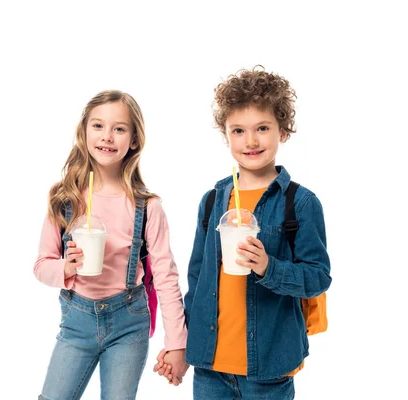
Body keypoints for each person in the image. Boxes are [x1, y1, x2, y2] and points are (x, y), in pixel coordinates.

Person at [155, 66, 331, 399]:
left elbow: (318, 277)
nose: (250, 141)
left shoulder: (302, 203)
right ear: (226, 135)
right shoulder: (212, 201)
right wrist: (180, 347)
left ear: (283, 131)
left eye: (262, 128)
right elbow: (198, 282)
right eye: (238, 130)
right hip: (210, 368)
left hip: (269, 369)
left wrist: (269, 267)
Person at [33, 90, 188, 400]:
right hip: (76, 322)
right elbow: (41, 265)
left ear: (133, 139)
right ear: (84, 132)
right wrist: (65, 267)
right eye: (98, 126)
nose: (107, 136)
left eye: (119, 128)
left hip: (128, 323)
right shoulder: (65, 199)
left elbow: (166, 276)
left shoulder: (147, 206)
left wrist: (177, 344)